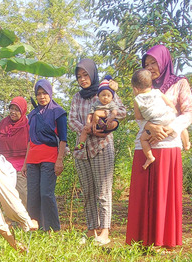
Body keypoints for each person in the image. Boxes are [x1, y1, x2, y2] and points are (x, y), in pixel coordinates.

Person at [126, 45, 192, 248]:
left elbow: (189, 112)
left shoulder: (179, 84)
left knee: (164, 194)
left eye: (154, 62)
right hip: (145, 146)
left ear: (164, 61)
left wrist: (169, 129)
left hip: (169, 145)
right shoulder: (141, 89)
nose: (150, 67)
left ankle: (165, 241)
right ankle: (141, 241)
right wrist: (150, 127)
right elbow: (139, 117)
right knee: (143, 193)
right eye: (146, 64)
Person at [69, 59, 126, 245]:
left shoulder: (105, 91)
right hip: (82, 149)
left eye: (86, 75)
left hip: (102, 146)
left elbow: (122, 111)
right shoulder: (77, 97)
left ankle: (105, 231)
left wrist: (110, 122)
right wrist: (86, 129)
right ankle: (92, 228)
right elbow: (71, 120)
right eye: (79, 77)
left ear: (93, 74)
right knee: (88, 191)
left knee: (103, 191)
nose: (83, 79)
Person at [21, 79, 67, 232]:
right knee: (33, 195)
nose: (41, 97)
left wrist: (59, 160)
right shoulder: (32, 114)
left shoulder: (58, 112)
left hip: (50, 157)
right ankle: (35, 227)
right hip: (33, 158)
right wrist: (25, 163)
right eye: (39, 94)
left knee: (46, 193)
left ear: (50, 93)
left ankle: (53, 229)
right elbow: (29, 140)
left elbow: (63, 139)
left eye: (44, 93)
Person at [132, 69, 191, 169]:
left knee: (143, 139)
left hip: (155, 122)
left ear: (135, 89)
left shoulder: (137, 99)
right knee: (181, 127)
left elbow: (138, 117)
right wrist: (174, 112)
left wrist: (148, 121)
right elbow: (169, 103)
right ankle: (186, 143)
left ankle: (150, 157)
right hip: (168, 116)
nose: (150, 67)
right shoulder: (157, 92)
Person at [0, 96, 29, 208]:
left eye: (17, 109)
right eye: (11, 109)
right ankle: (9, 220)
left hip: (21, 167)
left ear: (22, 110)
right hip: (5, 165)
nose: (13, 112)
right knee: (6, 194)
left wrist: (26, 165)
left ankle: (25, 220)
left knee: (22, 193)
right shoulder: (3, 124)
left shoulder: (27, 125)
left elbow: (31, 145)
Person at [75, 75, 120, 150]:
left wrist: (110, 117)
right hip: (95, 124)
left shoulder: (111, 103)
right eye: (103, 95)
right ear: (98, 96)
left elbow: (115, 111)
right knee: (85, 130)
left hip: (107, 121)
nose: (105, 97)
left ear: (112, 97)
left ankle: (105, 127)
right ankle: (81, 143)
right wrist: (88, 123)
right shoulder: (96, 103)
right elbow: (90, 114)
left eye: (108, 96)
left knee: (113, 123)